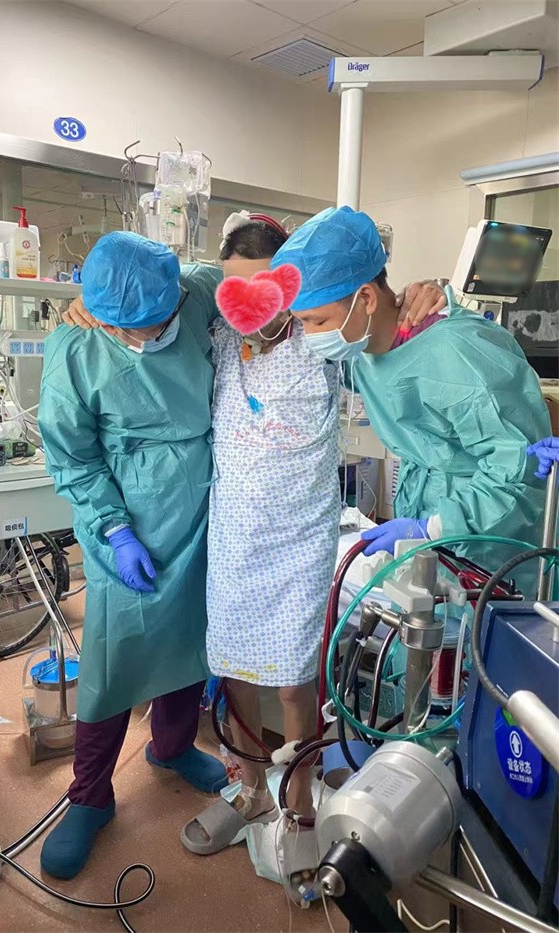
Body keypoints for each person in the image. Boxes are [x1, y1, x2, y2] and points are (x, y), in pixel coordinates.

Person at [58, 217, 445, 888]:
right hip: (215, 532)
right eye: (235, 290)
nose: (250, 304)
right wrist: (91, 300)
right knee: (216, 667)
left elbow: (380, 327)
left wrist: (431, 292)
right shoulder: (204, 332)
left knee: (283, 677)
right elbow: (145, 299)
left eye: (268, 289)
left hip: (284, 533)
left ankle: (288, 802)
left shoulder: (316, 339)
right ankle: (235, 790)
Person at [37, 231, 227, 881]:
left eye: (157, 321)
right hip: (128, 514)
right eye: (130, 329)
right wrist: (114, 531)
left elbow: (263, 271)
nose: (147, 336)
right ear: (103, 318)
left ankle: (172, 747)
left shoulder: (197, 291)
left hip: (202, 505)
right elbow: (73, 456)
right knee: (113, 656)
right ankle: (89, 795)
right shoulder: (76, 343)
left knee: (189, 638)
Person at [272, 206, 551, 590]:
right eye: (302, 321)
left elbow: (518, 471)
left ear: (366, 299)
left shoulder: (458, 352)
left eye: (317, 321)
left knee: (479, 628)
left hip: (491, 549)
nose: (311, 335)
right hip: (428, 533)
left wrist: (432, 528)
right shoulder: (364, 351)